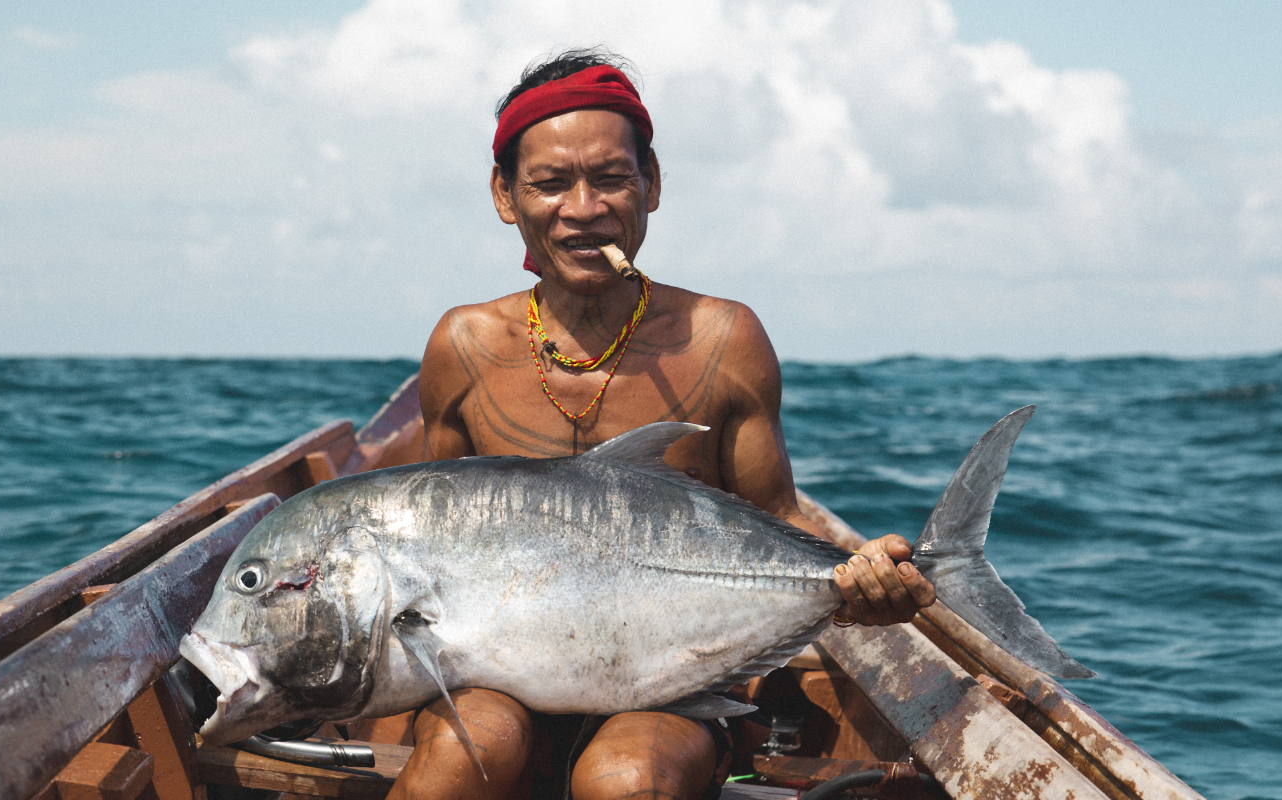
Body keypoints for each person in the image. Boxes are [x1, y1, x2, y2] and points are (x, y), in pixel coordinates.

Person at [399, 50, 936, 800]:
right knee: (464, 757)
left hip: (673, 674)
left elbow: (775, 517)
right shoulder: (463, 347)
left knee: (628, 780)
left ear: (651, 184)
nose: (584, 208)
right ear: (505, 194)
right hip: (495, 672)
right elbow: (429, 538)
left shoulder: (723, 339)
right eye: (550, 183)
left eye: (611, 178)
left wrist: (861, 578)